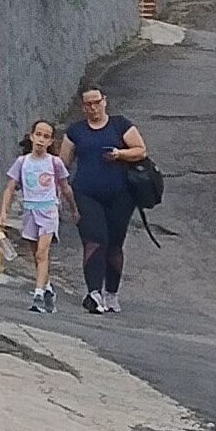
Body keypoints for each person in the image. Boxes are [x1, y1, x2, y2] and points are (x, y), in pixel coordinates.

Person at [61, 87, 146, 315]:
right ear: (83, 107)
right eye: (88, 104)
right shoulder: (75, 131)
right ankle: (94, 292)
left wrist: (119, 154)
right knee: (94, 240)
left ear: (104, 101)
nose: (93, 108)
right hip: (85, 194)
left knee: (115, 245)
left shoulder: (120, 125)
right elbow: (62, 164)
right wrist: (60, 191)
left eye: (96, 102)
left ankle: (112, 293)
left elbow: (140, 150)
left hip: (120, 195)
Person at [0, 119, 74, 314]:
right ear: (31, 137)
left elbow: (65, 188)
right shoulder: (22, 162)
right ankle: (47, 288)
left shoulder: (54, 163)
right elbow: (10, 188)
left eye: (46, 137)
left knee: (42, 253)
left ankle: (38, 295)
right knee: (35, 254)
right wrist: (4, 212)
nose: (41, 140)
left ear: (51, 141)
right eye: (38, 135)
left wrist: (74, 209)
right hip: (30, 211)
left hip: (49, 211)